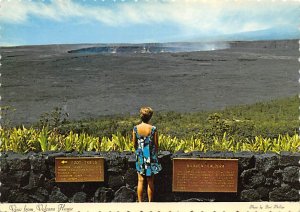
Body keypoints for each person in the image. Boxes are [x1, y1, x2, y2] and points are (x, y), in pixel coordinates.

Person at [132, 106, 162, 202]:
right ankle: (150, 203)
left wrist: (139, 152)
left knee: (140, 180)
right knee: (150, 181)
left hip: (140, 156)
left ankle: (140, 203)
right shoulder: (153, 129)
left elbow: (134, 144)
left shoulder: (136, 128)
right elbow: (156, 144)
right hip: (151, 156)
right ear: (150, 117)